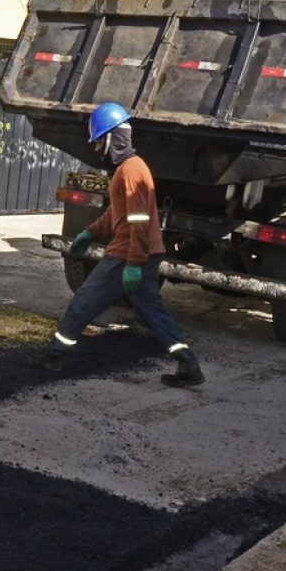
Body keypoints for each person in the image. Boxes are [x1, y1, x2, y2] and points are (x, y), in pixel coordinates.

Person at [33, 102, 204, 387]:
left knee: (83, 303)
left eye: (100, 142)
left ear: (114, 138)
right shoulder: (126, 169)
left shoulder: (130, 171)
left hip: (127, 255)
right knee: (152, 314)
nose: (98, 149)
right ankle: (188, 364)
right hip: (142, 254)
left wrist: (134, 264)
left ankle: (53, 356)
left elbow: (138, 221)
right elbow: (116, 213)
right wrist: (90, 232)